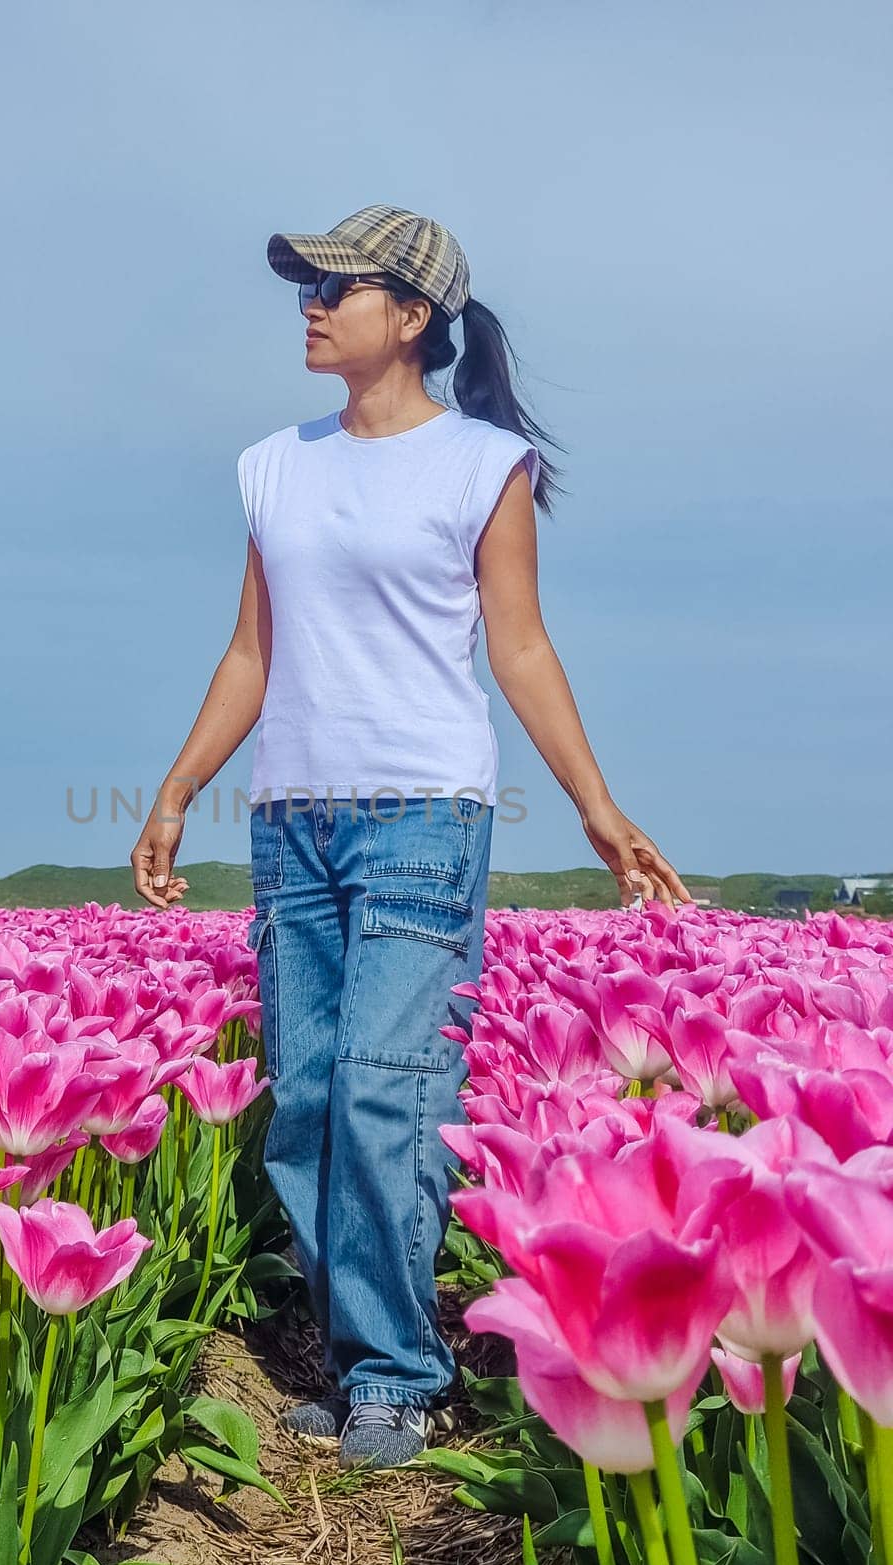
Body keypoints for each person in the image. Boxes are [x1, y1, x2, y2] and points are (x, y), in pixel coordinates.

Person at [130, 205, 691, 1470]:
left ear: (415, 316)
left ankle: (396, 1370)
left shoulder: (482, 464)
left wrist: (599, 810)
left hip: (422, 819)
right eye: (306, 286)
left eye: (339, 286)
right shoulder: (274, 464)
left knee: (389, 1094)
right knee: (312, 1099)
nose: (311, 306)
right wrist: (176, 790)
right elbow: (251, 653)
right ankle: (357, 1349)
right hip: (292, 823)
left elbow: (523, 648)